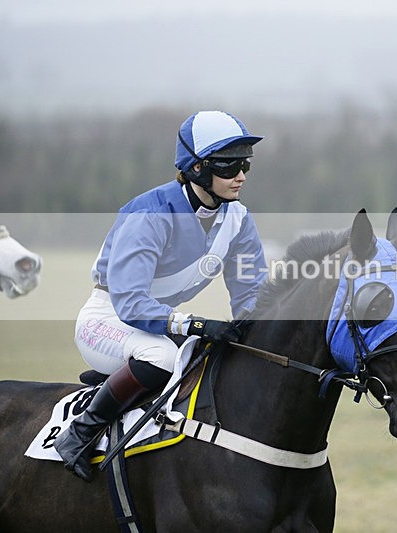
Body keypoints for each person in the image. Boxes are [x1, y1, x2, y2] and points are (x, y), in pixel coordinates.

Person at [54, 110, 268, 481]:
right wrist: (196, 324)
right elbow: (131, 303)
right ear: (198, 168)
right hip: (108, 318)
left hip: (158, 325)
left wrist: (256, 332)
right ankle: (80, 433)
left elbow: (252, 293)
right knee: (162, 356)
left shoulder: (239, 220)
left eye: (245, 164)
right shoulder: (149, 213)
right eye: (230, 165)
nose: (241, 175)